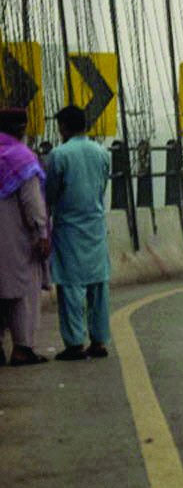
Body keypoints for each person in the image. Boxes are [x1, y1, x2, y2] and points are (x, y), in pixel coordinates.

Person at [44, 105, 112, 361]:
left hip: (68, 226)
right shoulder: (102, 152)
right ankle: (99, 341)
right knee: (98, 284)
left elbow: (50, 192)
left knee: (71, 285)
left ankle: (74, 343)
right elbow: (102, 186)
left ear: (63, 127)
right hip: (94, 224)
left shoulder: (59, 155)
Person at [0, 107, 51, 366]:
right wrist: (42, 232)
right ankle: (22, 348)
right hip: (15, 237)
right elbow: (32, 202)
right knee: (21, 292)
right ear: (22, 129)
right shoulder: (22, 158)